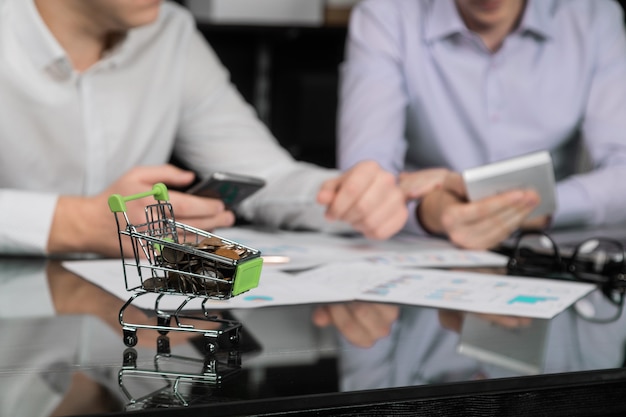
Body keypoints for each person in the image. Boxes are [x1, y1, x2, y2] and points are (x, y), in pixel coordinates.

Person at [0, 0, 406, 347]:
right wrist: (77, 224)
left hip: (129, 334)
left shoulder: (170, 31)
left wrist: (345, 195)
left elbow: (262, 173)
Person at [338, 0, 626, 251]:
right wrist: (433, 211)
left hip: (546, 250)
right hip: (426, 247)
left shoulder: (594, 18)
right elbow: (365, 178)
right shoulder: (385, 16)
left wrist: (536, 208)